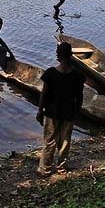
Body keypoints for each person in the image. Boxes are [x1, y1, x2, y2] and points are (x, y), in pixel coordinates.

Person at [36, 41, 85, 176]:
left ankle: (45, 169)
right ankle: (62, 168)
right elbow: (79, 97)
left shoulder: (50, 74)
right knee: (65, 140)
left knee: (49, 140)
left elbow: (44, 95)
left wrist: (40, 111)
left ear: (58, 56)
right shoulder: (78, 75)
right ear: (71, 55)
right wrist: (77, 111)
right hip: (69, 112)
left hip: (52, 113)